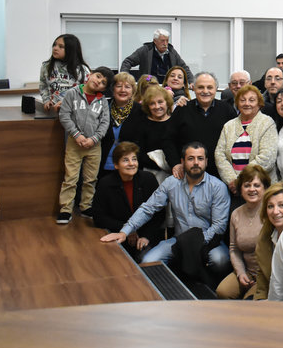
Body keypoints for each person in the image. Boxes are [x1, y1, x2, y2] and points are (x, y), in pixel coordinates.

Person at [101, 142, 231, 275]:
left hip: (208, 241)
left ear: (206, 162)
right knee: (148, 262)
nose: (196, 163)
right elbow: (148, 208)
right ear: (182, 162)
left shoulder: (218, 187)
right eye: (191, 158)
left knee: (220, 261)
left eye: (200, 158)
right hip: (178, 240)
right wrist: (124, 232)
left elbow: (219, 226)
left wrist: (192, 242)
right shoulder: (172, 183)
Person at [56, 66, 114, 224]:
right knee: (71, 178)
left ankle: (86, 206)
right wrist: (77, 135)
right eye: (98, 76)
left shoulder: (103, 101)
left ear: (104, 88)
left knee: (90, 179)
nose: (98, 82)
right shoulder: (72, 93)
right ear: (90, 75)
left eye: (103, 82)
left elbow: (104, 123)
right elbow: (64, 115)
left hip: (94, 146)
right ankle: (66, 209)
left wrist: (94, 138)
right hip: (74, 143)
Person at [91, 141, 163, 260]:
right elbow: (99, 217)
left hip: (146, 236)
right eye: (125, 160)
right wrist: (127, 230)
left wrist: (146, 236)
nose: (131, 164)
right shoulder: (105, 183)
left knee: (146, 260)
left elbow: (159, 214)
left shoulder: (148, 179)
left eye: (134, 159)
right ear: (116, 165)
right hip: (117, 235)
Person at [243, 181, 283, 300]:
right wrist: (260, 299)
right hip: (273, 295)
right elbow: (262, 273)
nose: (275, 211)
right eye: (270, 206)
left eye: (282, 205)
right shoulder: (266, 233)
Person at [215, 164, 271, 299]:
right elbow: (234, 249)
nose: (252, 189)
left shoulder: (271, 212)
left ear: (265, 188)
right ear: (240, 189)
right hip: (247, 271)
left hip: (267, 275)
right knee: (222, 292)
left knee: (249, 301)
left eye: (256, 185)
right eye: (247, 185)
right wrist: (241, 273)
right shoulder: (236, 214)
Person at [171, 71, 235, 181]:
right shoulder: (182, 110)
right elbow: (169, 140)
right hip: (187, 174)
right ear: (193, 88)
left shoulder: (227, 110)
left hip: (221, 174)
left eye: (209, 87)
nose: (205, 91)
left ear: (216, 89)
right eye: (200, 87)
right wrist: (175, 163)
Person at [215, 84, 277, 193]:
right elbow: (220, 156)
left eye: (251, 100)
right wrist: (232, 180)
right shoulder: (228, 126)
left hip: (262, 190)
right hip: (234, 189)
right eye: (242, 100)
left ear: (259, 103)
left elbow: (267, 158)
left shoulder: (267, 123)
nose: (247, 103)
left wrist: (241, 181)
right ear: (237, 103)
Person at [119, 85, 179, 179]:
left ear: (167, 102)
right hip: (148, 175)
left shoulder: (176, 122)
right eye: (152, 103)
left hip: (175, 175)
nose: (157, 106)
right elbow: (137, 152)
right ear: (148, 106)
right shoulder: (141, 124)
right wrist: (159, 165)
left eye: (160, 102)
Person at [99, 72, 138, 178]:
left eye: (127, 87)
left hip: (130, 166)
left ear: (133, 91)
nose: (123, 90)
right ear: (113, 89)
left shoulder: (140, 111)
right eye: (119, 86)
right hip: (102, 164)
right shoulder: (102, 106)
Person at [120, 29, 193, 84]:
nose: (165, 44)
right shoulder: (145, 50)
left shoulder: (172, 52)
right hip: (148, 88)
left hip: (167, 89)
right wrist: (125, 78)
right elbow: (127, 62)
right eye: (162, 41)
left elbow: (184, 67)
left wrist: (191, 81)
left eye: (167, 41)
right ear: (155, 41)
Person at [39, 34, 89, 113]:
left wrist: (70, 104)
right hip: (53, 111)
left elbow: (88, 92)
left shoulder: (82, 70)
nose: (55, 48)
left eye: (61, 46)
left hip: (75, 112)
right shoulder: (46, 66)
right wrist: (46, 100)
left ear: (71, 50)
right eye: (54, 45)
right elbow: (43, 86)